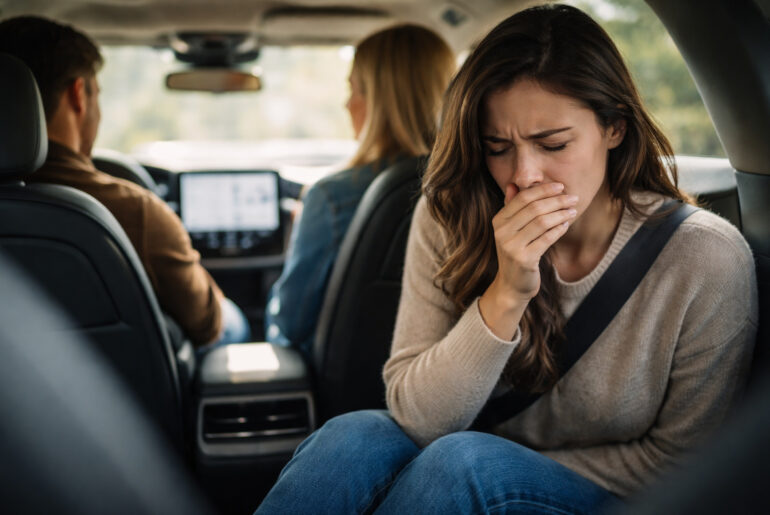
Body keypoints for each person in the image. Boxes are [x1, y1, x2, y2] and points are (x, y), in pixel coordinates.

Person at [256, 4, 758, 513]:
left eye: (553, 144)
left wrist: (502, 461)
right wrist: (505, 294)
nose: (524, 176)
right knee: (351, 437)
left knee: (464, 464)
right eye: (498, 147)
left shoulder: (704, 258)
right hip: (456, 461)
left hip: (611, 495)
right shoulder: (448, 214)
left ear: (615, 129)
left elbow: (684, 464)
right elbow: (414, 417)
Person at [0, 16, 250, 346]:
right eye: (98, 95)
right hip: (134, 395)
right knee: (230, 319)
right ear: (79, 95)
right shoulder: (138, 213)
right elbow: (205, 326)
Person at [264, 24, 455, 358]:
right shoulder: (477, 186)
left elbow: (292, 324)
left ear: (380, 101)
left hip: (345, 388)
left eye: (353, 89)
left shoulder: (332, 198)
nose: (346, 104)